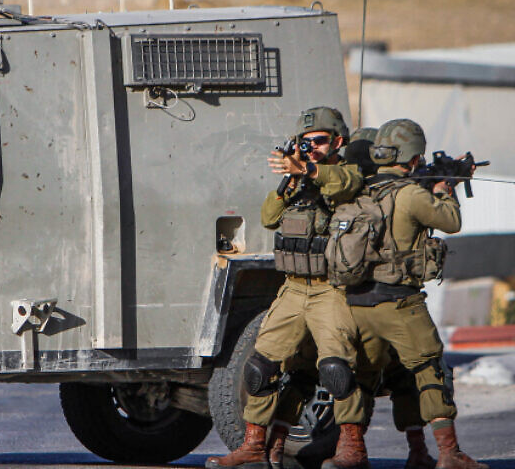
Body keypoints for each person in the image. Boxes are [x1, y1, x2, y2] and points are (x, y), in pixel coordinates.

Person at [206, 107, 365, 469]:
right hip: (293, 288)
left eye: (319, 141)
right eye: (305, 142)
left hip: (330, 290)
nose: (311, 147)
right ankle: (254, 446)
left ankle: (352, 449)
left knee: (337, 370)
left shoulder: (347, 173)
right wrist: (290, 181)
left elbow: (347, 184)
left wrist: (308, 169)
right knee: (259, 367)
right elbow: (269, 217)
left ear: (338, 142)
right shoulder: (300, 177)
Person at [268, 127, 435, 469]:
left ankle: (370, 450)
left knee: (370, 375)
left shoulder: (364, 187)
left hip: (363, 296)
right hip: (358, 296)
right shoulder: (359, 187)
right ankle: (360, 449)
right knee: (354, 374)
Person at [326, 119, 487, 469]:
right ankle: (449, 453)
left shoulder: (362, 189)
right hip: (401, 303)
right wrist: (444, 188)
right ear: (414, 158)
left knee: (360, 378)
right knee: (431, 371)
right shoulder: (413, 193)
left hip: (358, 302)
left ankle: (349, 452)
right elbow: (450, 222)